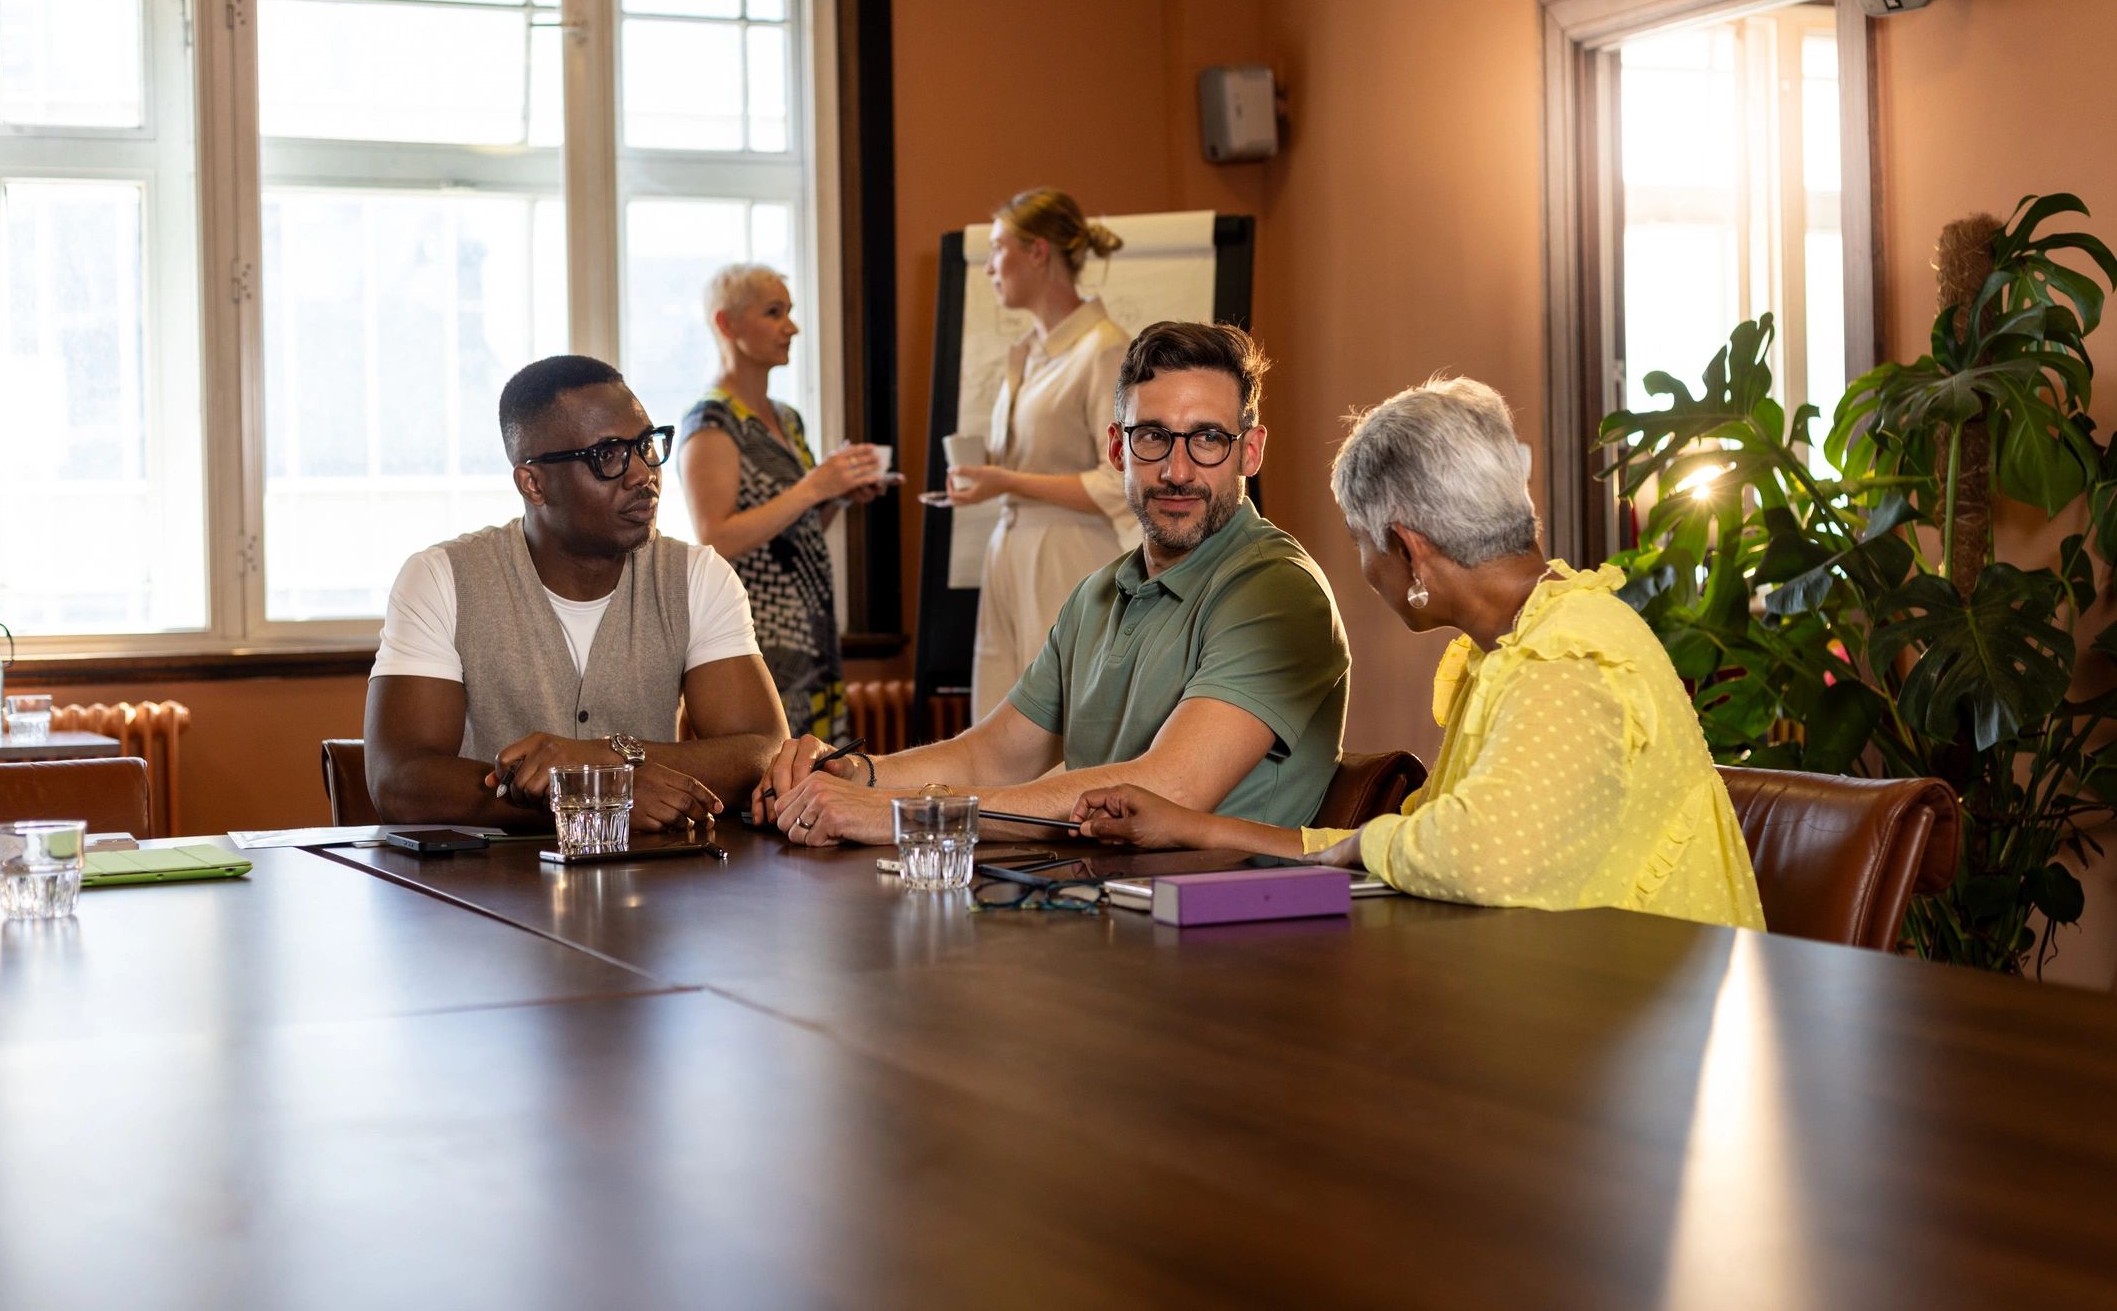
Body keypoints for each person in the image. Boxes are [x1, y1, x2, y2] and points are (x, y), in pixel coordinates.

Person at [1074, 377, 1767, 931]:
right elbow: (1414, 844)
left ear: (1408, 551)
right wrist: (1194, 828)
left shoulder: (1569, 656)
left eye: (1360, 539)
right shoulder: (1523, 638)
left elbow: (1472, 854)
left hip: (1651, 1040)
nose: (1363, 567)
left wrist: (1354, 846)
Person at [756, 321, 1350, 846]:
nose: (1177, 470)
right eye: (1153, 436)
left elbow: (1171, 787)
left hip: (1228, 931)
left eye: (1208, 439)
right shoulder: (1096, 595)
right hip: (1100, 908)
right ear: (1117, 448)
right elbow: (990, 755)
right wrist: (853, 775)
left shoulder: (1278, 591)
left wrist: (894, 813)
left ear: (1250, 451)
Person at [365, 354, 790, 830]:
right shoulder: (441, 580)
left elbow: (763, 750)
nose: (643, 474)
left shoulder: (696, 577)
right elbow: (399, 782)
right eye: (608, 455)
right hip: (483, 886)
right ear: (533, 484)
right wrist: (594, 792)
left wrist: (608, 757)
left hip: (648, 888)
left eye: (647, 444)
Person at [946, 187, 1142, 720]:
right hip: (1009, 548)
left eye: (997, 248)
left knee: (1059, 717)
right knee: (996, 713)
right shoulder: (1027, 352)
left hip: (1067, 553)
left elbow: (1118, 481)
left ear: (1037, 251)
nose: (988, 267)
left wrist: (1005, 481)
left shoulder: (1103, 348)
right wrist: (989, 471)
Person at [677, 264, 885, 746]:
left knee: (819, 774)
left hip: (812, 630)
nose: (790, 327)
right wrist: (814, 487)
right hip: (758, 633)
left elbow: (795, 524)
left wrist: (837, 498)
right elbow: (715, 536)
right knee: (774, 774)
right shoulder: (712, 420)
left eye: (789, 312)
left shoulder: (787, 418)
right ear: (727, 324)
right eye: (774, 313)